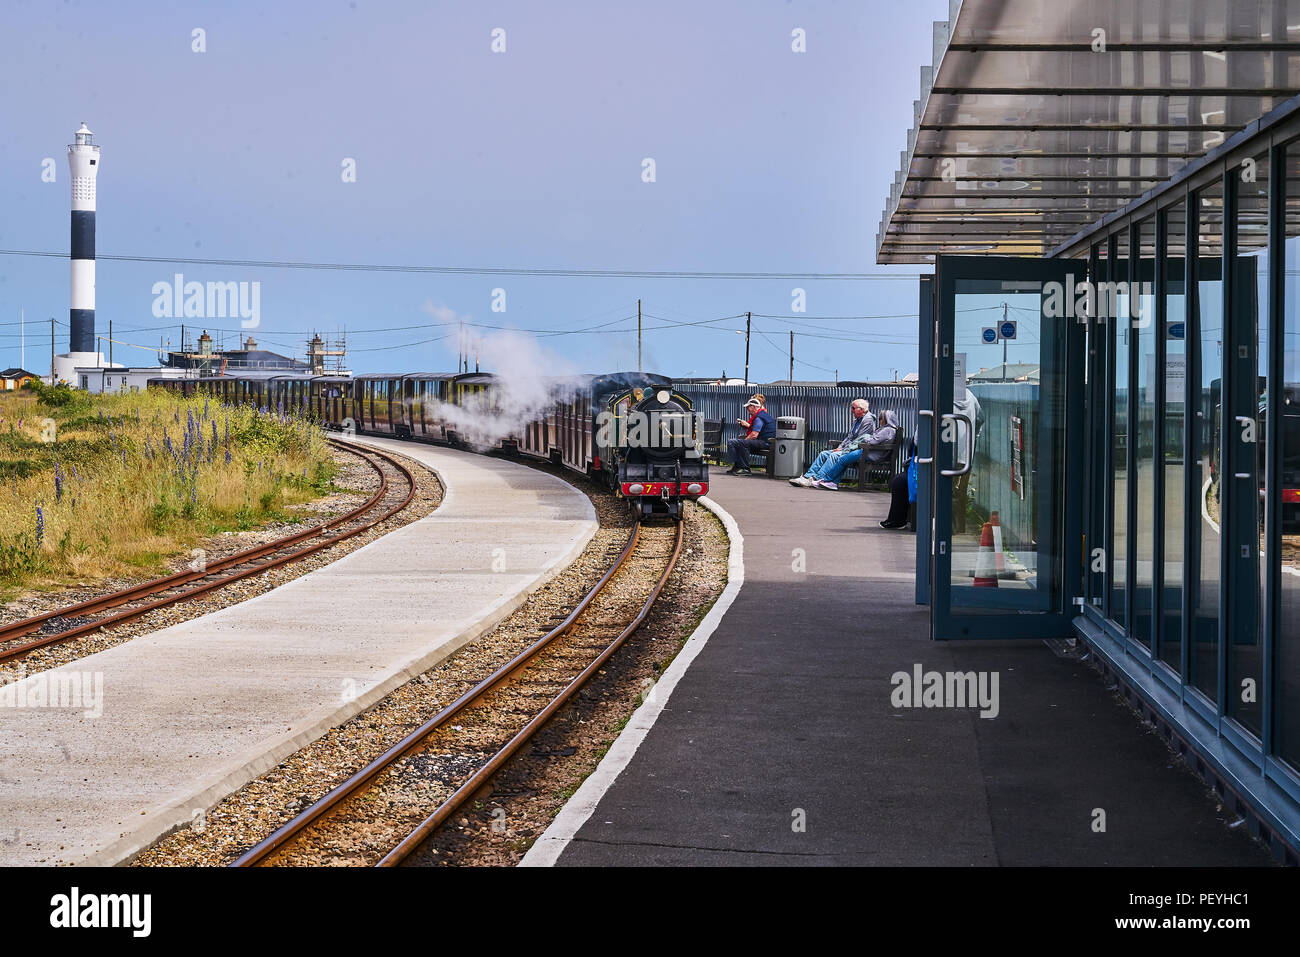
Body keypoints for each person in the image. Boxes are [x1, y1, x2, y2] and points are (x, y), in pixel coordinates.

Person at [793, 408, 899, 491]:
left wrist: (866, 439)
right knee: (836, 457)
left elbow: (873, 441)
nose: (880, 420)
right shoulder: (886, 429)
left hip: (870, 454)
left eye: (881, 418)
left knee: (842, 459)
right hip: (868, 451)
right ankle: (827, 481)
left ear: (886, 420)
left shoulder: (887, 430)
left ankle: (826, 480)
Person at [789, 399, 875, 489]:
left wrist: (842, 449)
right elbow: (849, 437)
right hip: (847, 448)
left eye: (853, 408)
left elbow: (859, 440)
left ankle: (815, 479)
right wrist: (840, 447)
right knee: (823, 454)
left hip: (856, 450)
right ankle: (807, 477)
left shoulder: (867, 420)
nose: (851, 410)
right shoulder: (857, 420)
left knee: (834, 455)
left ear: (861, 409)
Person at [726, 397, 775, 475]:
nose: (747, 410)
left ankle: (745, 468)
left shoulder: (759, 417)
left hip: (766, 442)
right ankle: (738, 466)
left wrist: (744, 441)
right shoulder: (761, 415)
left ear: (754, 407)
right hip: (764, 441)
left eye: (748, 407)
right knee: (735, 442)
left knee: (740, 443)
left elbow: (754, 435)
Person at [881, 436, 917, 528]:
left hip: (924, 468)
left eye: (880, 419)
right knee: (899, 481)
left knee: (900, 482)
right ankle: (897, 520)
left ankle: (897, 520)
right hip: (915, 467)